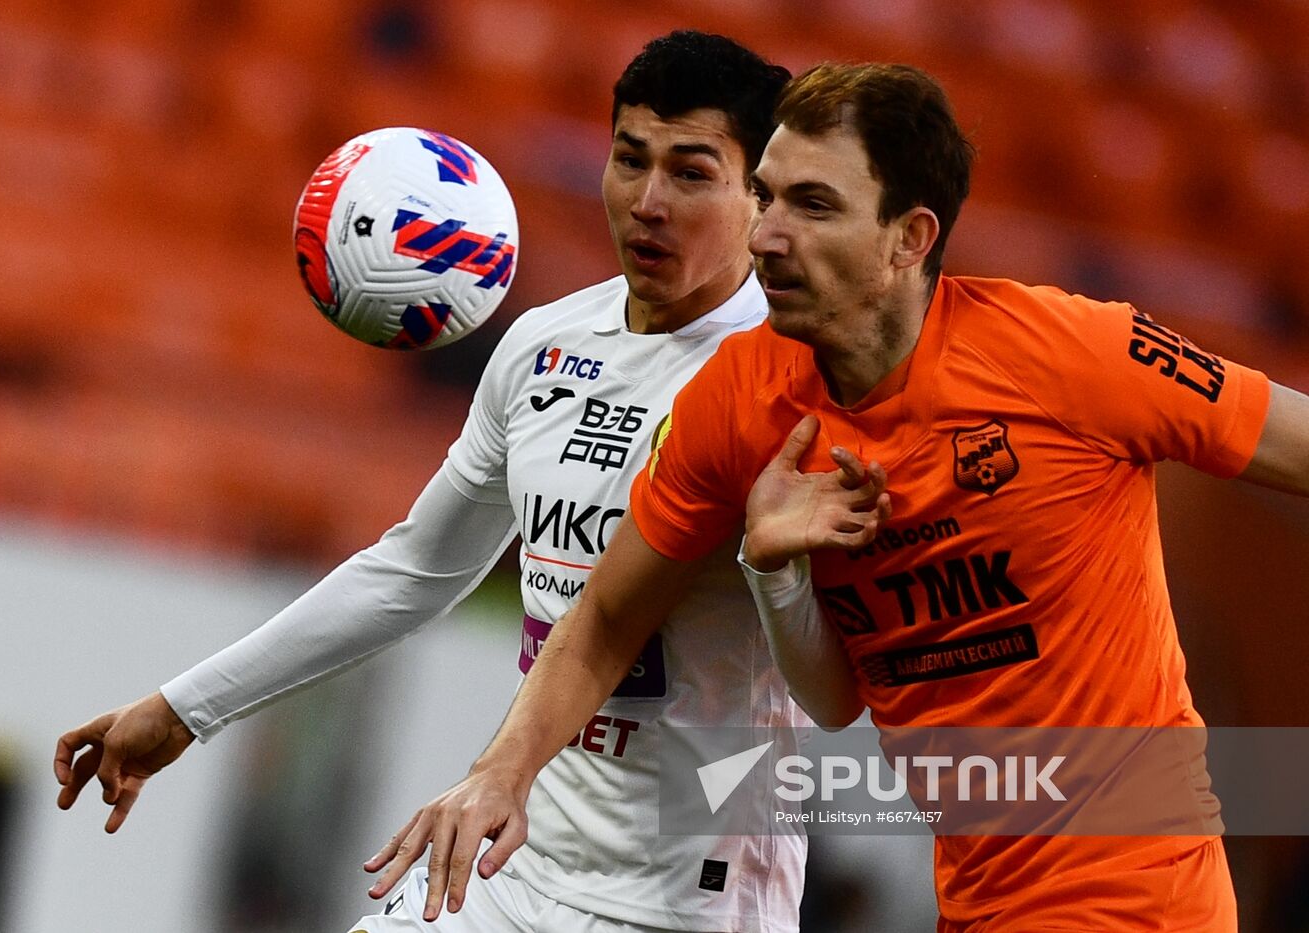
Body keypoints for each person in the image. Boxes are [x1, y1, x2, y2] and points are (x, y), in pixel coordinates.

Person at [369, 62, 1309, 930]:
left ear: (910, 237)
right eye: (768, 197)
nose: (767, 233)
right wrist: (505, 769)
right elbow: (636, 627)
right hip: (976, 898)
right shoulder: (740, 401)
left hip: (1140, 897)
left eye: (814, 205)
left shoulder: (1072, 356)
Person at [53, 31, 887, 933]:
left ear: (758, 197)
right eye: (628, 160)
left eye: (691, 174)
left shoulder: (796, 382)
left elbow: (833, 694)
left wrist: (778, 569)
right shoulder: (542, 348)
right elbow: (413, 570)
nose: (647, 203)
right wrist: (185, 709)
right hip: (508, 853)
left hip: (689, 897)